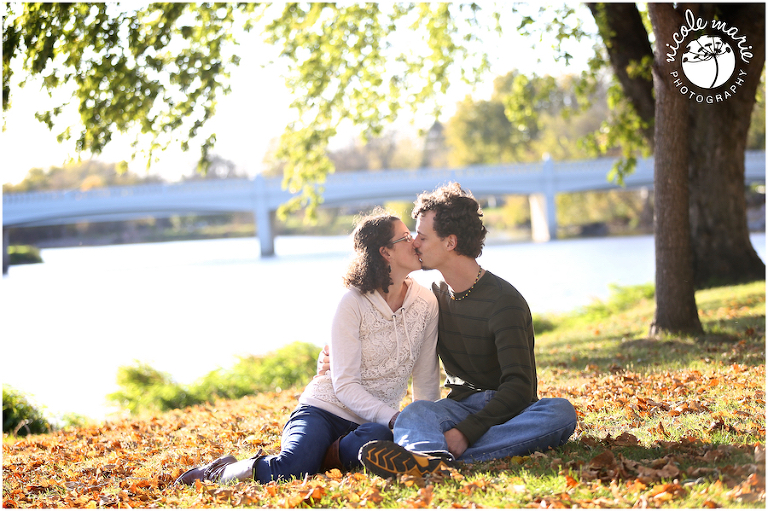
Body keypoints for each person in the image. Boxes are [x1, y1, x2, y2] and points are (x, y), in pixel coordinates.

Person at [321, 183, 577, 480]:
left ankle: (429, 458)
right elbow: (385, 333)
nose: (414, 243)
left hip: (507, 411)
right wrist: (332, 355)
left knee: (560, 412)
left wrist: (466, 433)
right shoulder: (433, 299)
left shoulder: (504, 302)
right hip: (456, 408)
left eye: (422, 236)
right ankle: (432, 459)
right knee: (416, 413)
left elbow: (520, 389)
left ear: (450, 243)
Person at [175, 210, 440, 485]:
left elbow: (426, 379)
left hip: (371, 425)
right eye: (406, 237)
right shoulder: (352, 303)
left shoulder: (427, 303)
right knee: (291, 468)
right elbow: (345, 385)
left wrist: (423, 431)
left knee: (380, 441)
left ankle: (324, 456)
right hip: (323, 410)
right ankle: (218, 471)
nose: (415, 243)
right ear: (386, 252)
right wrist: (396, 418)